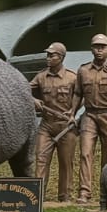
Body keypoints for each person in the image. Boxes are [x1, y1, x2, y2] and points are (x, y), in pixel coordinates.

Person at [75, 33, 107, 204]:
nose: (99, 50)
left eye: (102, 47)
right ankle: (84, 192)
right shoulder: (83, 70)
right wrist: (71, 113)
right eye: (96, 47)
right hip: (89, 115)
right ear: (92, 49)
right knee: (85, 153)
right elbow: (77, 94)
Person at [30, 41, 81, 201]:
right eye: (48, 55)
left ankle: (64, 197)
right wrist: (33, 100)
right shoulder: (41, 76)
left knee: (66, 162)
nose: (48, 58)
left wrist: (73, 112)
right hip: (46, 125)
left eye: (52, 55)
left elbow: (82, 96)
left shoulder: (72, 77)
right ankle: (38, 196)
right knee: (41, 158)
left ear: (61, 57)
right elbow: (23, 89)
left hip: (66, 126)